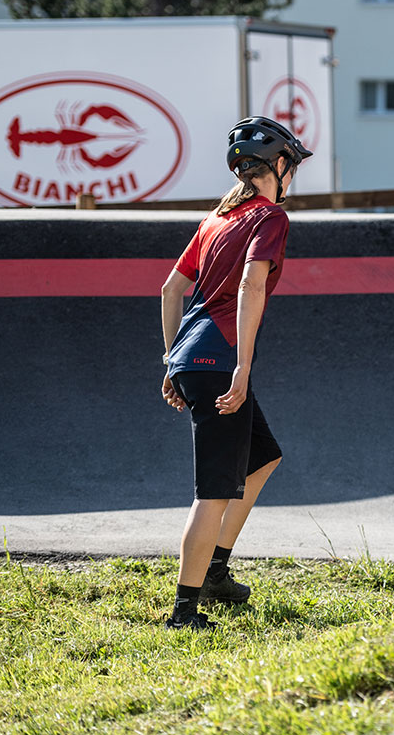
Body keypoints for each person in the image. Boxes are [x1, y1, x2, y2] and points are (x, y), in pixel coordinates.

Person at [159, 116, 311, 629]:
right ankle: (184, 611)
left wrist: (172, 360)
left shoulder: (217, 220)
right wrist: (242, 366)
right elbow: (251, 286)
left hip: (194, 358)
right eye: (294, 167)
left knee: (263, 458)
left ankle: (217, 571)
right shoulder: (269, 218)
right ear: (281, 166)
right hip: (221, 362)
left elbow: (170, 291)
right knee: (214, 491)